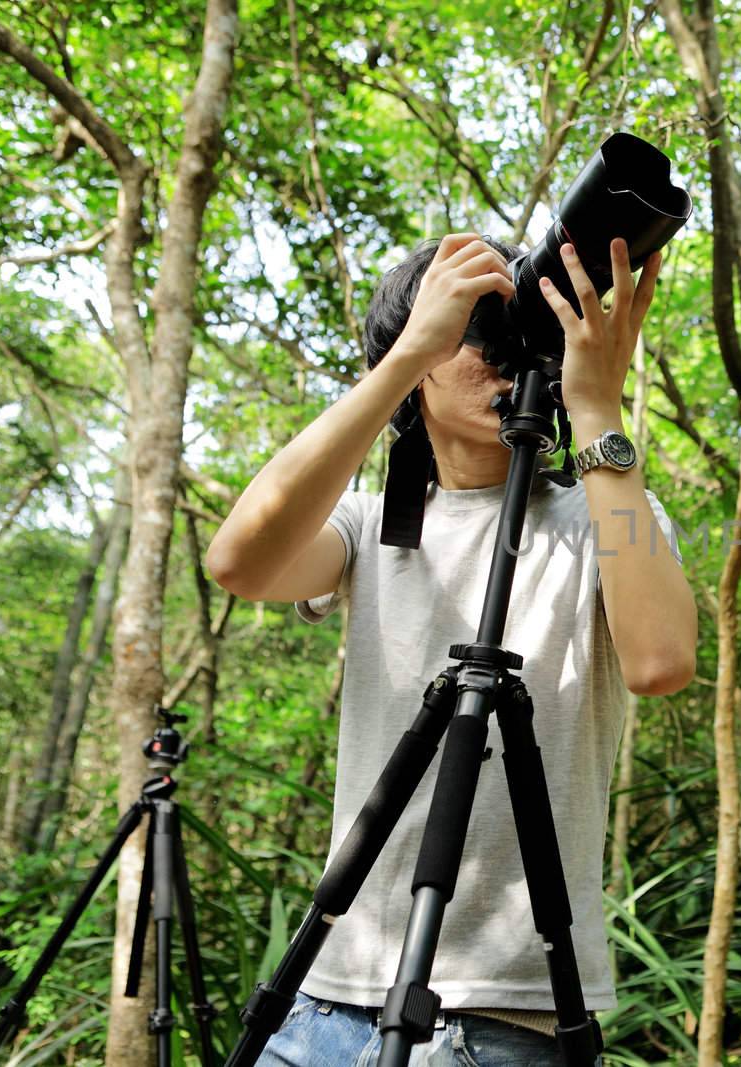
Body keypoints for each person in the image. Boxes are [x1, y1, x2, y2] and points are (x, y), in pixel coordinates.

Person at [206, 232, 698, 1065]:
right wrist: (403, 358)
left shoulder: (604, 526)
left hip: (506, 1016)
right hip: (325, 998)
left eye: (522, 333)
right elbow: (239, 561)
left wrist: (598, 412)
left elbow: (660, 664)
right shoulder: (372, 524)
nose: (509, 357)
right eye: (480, 332)